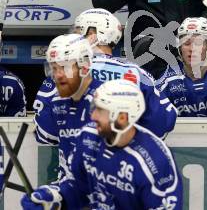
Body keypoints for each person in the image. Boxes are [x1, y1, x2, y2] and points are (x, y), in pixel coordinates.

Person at [22, 79, 182, 209]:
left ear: (122, 118)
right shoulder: (88, 137)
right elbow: (79, 187)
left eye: (101, 110)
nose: (93, 116)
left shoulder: (156, 161)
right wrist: (56, 197)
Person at [33, 8, 177, 148]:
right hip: (123, 165)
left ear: (91, 34)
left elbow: (46, 132)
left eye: (77, 32)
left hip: (75, 166)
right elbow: (163, 122)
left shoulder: (66, 69)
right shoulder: (136, 73)